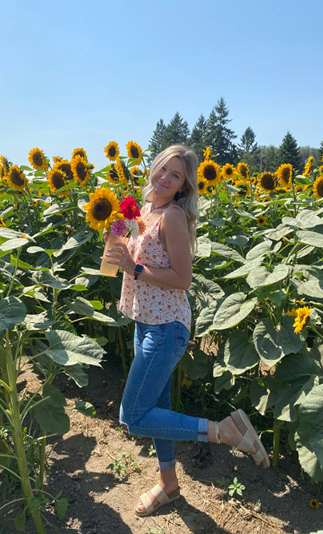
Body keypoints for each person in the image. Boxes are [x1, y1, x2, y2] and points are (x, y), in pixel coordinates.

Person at [104, 145, 269, 517]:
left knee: (133, 415)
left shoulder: (173, 217)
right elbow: (123, 253)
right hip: (144, 321)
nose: (165, 177)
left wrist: (135, 268)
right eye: (163, 168)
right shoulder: (143, 210)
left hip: (166, 328)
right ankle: (169, 484)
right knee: (157, 406)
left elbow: (183, 279)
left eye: (175, 175)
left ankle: (224, 431)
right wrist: (114, 240)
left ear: (183, 186)